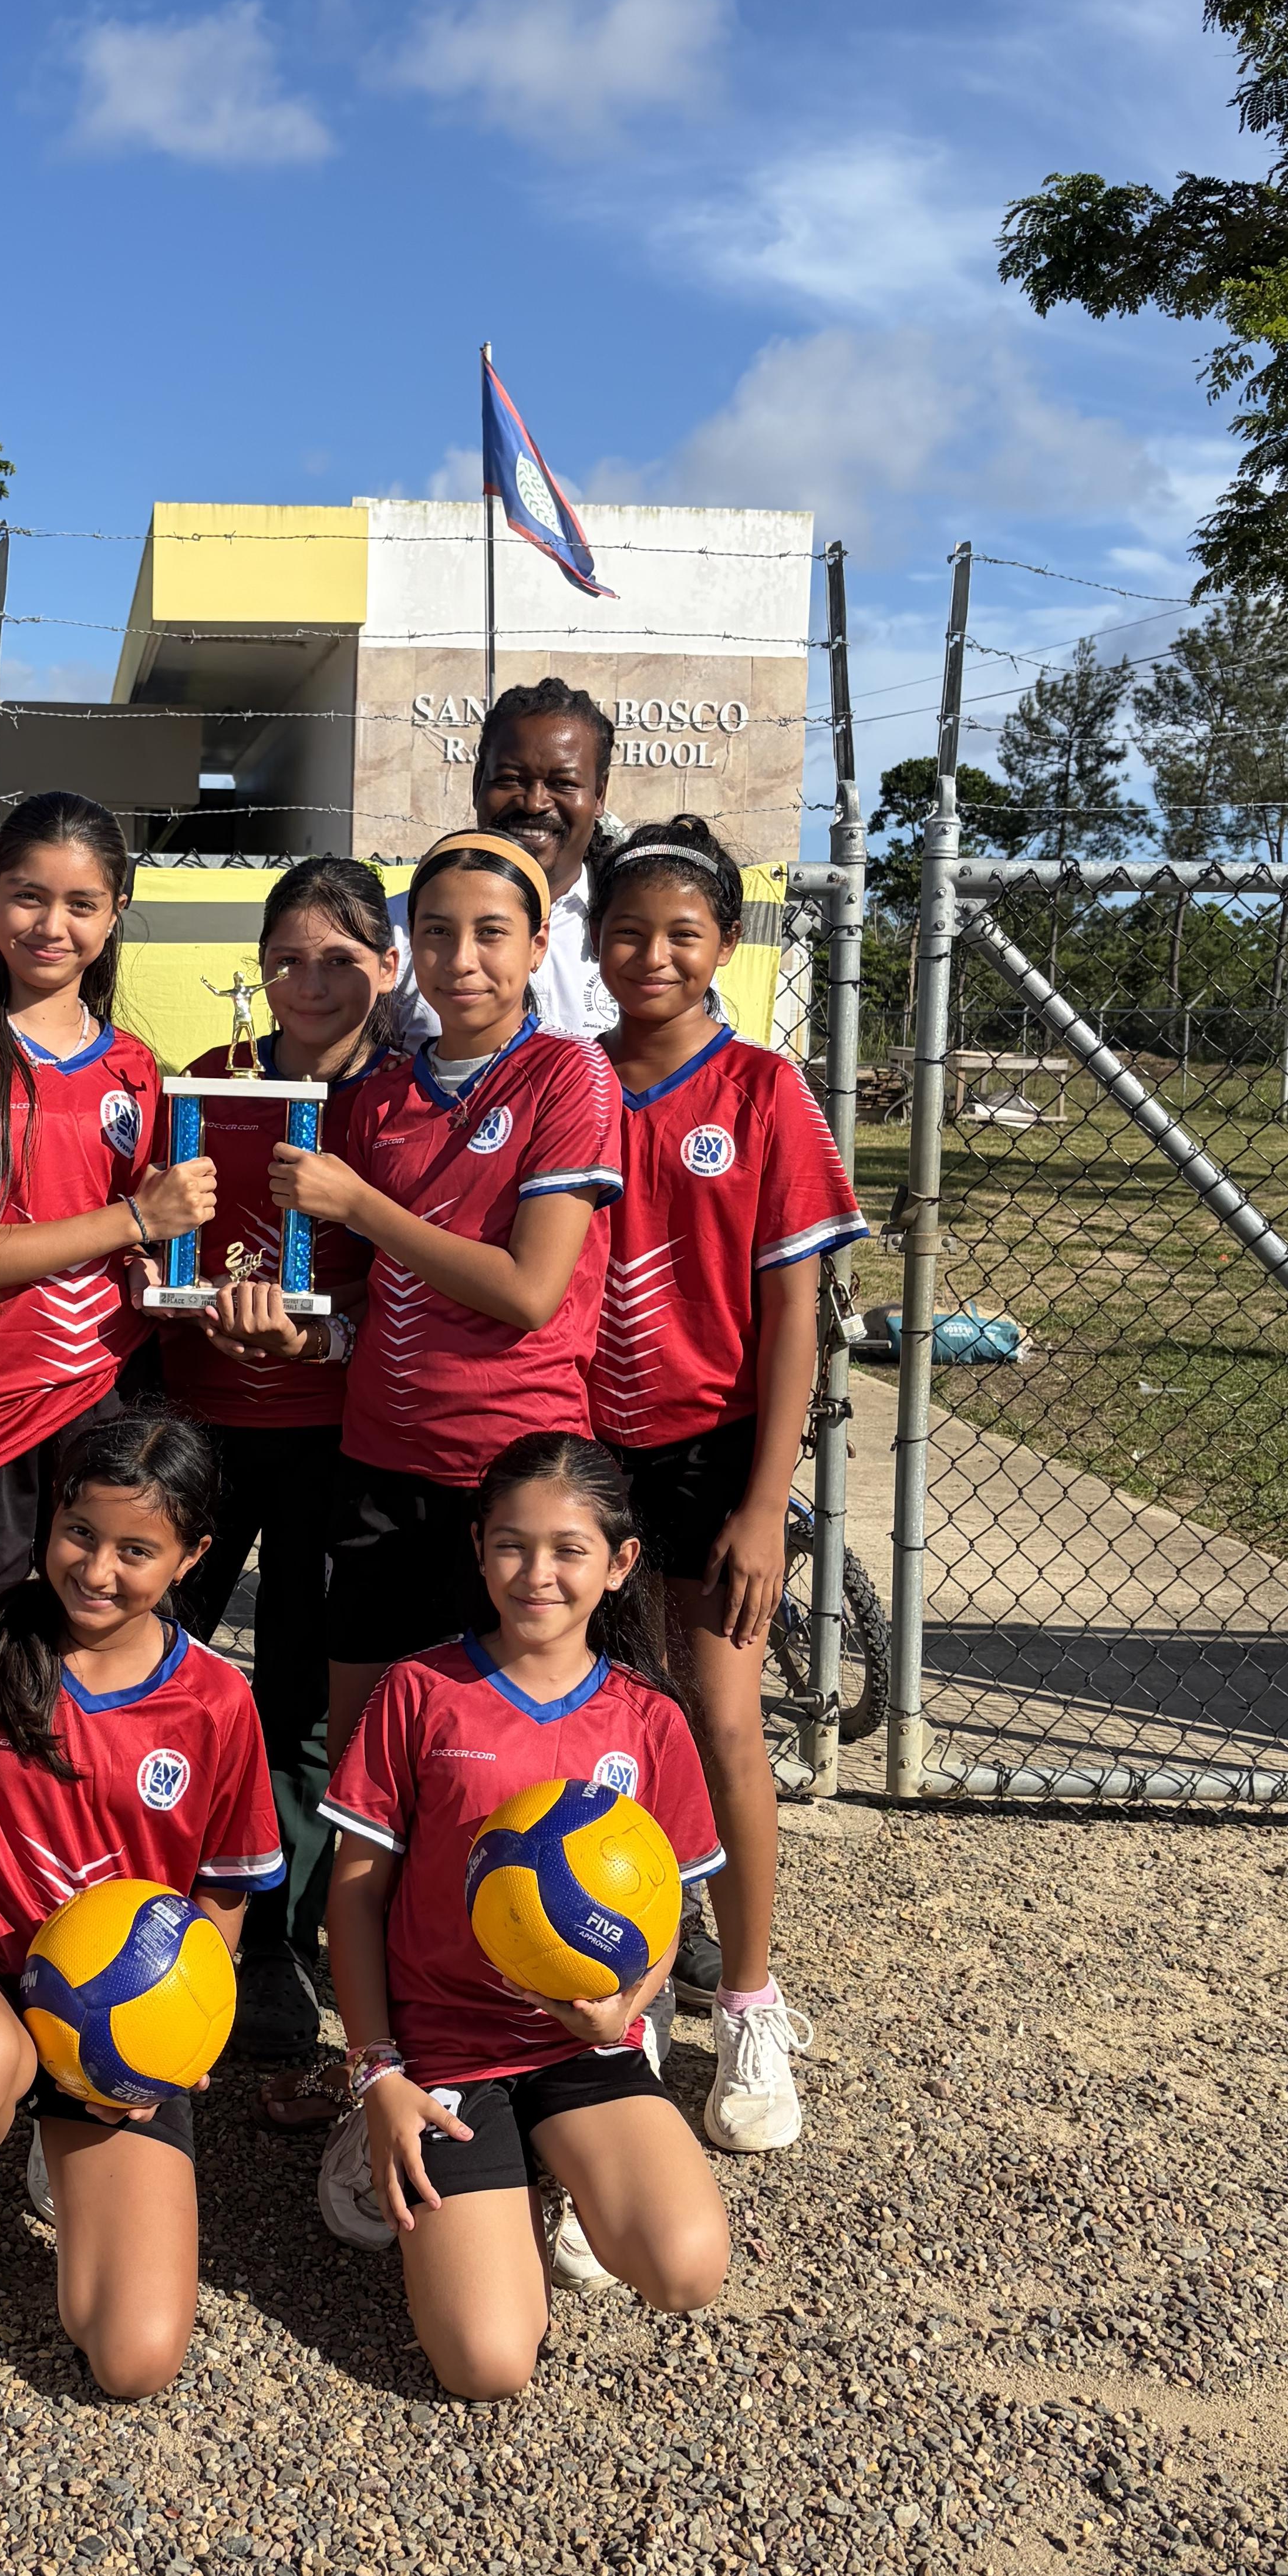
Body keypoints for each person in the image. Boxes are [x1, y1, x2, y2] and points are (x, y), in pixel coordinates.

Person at [0, 1411, 283, 2389]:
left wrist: (183, 2029)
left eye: (136, 1550)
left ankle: (59, 2133)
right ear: (50, 1518)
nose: (96, 1569)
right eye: (80, 1533)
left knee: (132, 2358)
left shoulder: (217, 1702)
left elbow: (223, 1889)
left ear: (192, 1556)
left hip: (118, 2021)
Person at [315, 1432, 729, 2400]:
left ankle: (554, 2165)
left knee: (685, 2269)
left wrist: (629, 2001)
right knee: (487, 2364)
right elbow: (356, 1892)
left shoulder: (648, 1719)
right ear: (477, 1547)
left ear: (620, 1563)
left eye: (568, 1550)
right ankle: (377, 2132)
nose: (536, 1573)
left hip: (580, 2040)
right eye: (511, 1545)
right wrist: (376, 2070)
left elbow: (663, 1907)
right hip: (441, 2049)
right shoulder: (421, 1692)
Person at [587, 816, 868, 2156]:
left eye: (681, 933)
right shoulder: (567, 1079)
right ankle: (620, 1982)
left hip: (708, 1448)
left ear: (725, 944)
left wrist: (765, 1504)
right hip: (582, 1451)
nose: (652, 955)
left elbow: (793, 1314)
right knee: (602, 1724)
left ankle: (749, 1999)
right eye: (627, 931)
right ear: (594, 941)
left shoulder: (761, 1090)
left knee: (721, 1719)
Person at [259, 830, 622, 1774]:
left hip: (510, 1469)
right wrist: (292, 1325)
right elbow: (380, 1289)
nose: (462, 959)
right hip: (379, 1459)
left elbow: (528, 1292)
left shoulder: (569, 1075)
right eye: (436, 932)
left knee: (502, 1753)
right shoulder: (384, 1097)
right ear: (408, 948)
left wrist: (364, 1207)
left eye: (491, 933)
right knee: (365, 1752)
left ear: (539, 946)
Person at [156, 857, 395, 2064]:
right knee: (161, 1660)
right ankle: (154, 1900)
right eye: (287, 959)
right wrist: (165, 1282)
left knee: (300, 1689)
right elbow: (164, 1243)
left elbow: (404, 1284)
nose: (309, 983)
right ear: (257, 968)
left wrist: (318, 1337)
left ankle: (279, 1943)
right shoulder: (211, 1084)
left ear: (386, 969)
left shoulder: (395, 1108)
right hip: (201, 1424)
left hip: (328, 1436)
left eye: (339, 960)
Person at [0, 789, 214, 1619]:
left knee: (104, 1632)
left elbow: (140, 1243)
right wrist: (136, 1222)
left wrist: (151, 1268)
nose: (52, 926)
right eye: (29, 896)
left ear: (116, 912)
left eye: (81, 905)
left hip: (104, 1390)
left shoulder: (136, 1066)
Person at [391, 676, 620, 1042]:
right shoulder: (394, 931)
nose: (535, 803)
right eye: (511, 779)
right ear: (477, 783)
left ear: (599, 795)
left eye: (562, 783)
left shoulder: (637, 936)